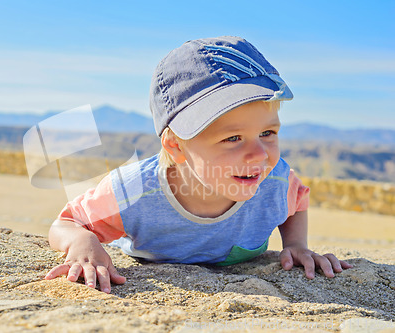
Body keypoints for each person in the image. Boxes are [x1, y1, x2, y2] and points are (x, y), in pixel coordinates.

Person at [44, 36, 353, 293]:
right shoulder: (133, 190)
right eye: (233, 138)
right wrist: (83, 241)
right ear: (176, 146)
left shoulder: (275, 180)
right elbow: (66, 223)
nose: (259, 154)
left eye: (267, 133)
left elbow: (296, 201)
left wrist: (296, 243)